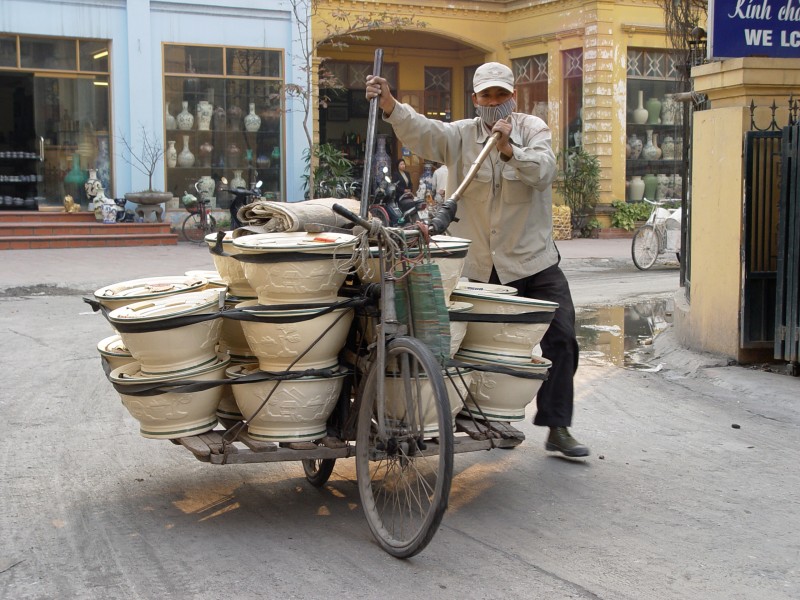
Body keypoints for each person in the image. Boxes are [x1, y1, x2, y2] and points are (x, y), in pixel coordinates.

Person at [365, 61, 589, 457]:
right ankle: (468, 415)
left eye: (502, 94)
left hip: (532, 260)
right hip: (479, 265)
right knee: (466, 346)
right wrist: (390, 104)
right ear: (475, 99)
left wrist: (508, 150)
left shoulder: (532, 130)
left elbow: (543, 172)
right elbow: (423, 130)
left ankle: (557, 425)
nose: (494, 102)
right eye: (487, 95)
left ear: (513, 97)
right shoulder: (461, 136)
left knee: (563, 337)